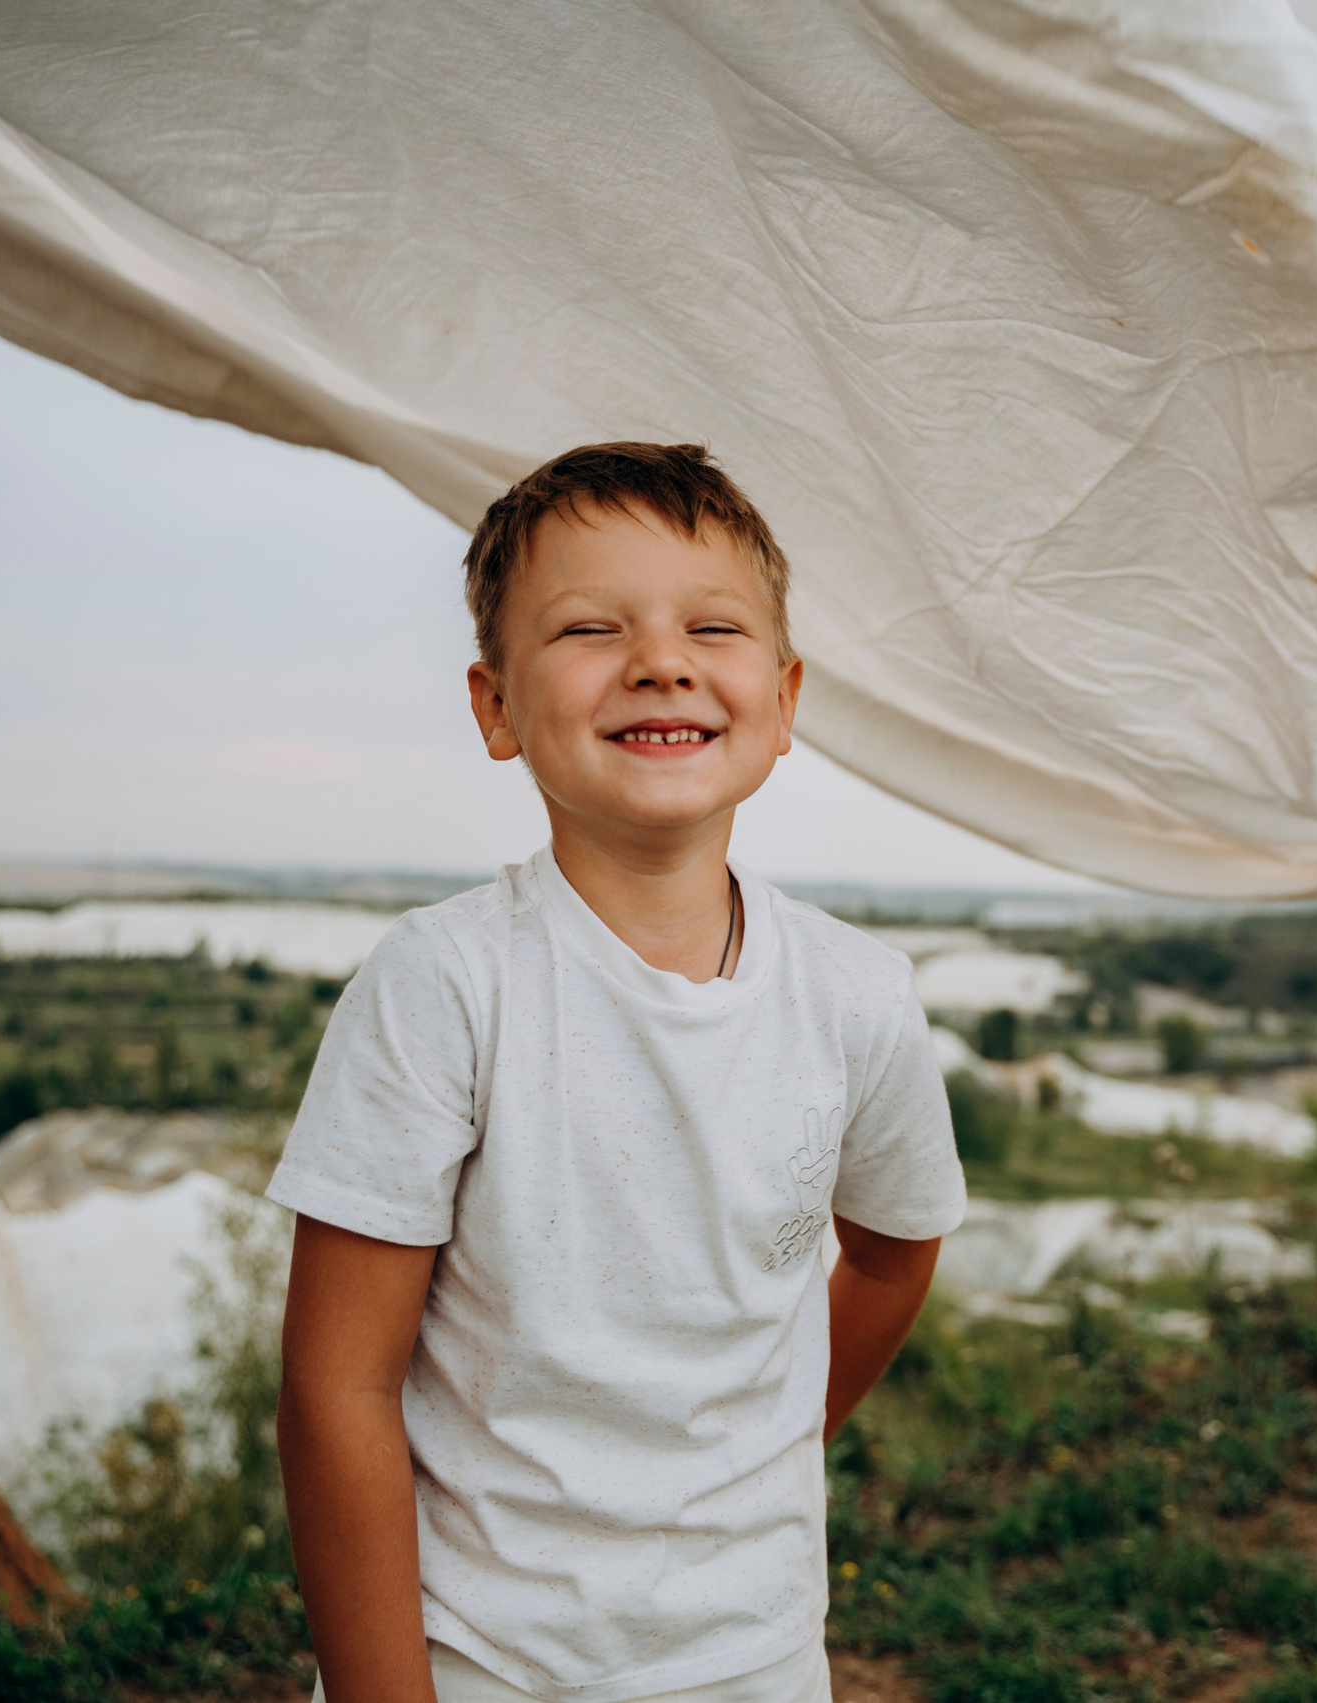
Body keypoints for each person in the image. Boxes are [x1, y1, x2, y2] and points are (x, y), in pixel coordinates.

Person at [267, 442, 966, 1703]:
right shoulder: (444, 985)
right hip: (481, 1664)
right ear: (493, 704)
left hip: (753, 1662)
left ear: (786, 696)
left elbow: (892, 1252)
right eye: (591, 626)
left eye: (713, 624)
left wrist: (764, 1451)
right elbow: (338, 1387)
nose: (661, 658)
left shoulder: (857, 994)